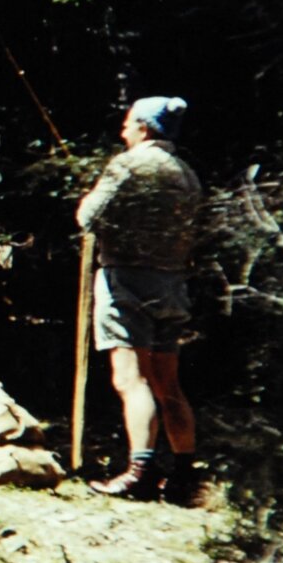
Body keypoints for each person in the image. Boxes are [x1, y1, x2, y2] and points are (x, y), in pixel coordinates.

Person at [78, 96, 201, 499]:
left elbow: (88, 218)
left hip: (127, 282)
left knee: (131, 379)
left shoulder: (128, 165)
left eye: (128, 123)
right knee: (169, 382)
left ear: (145, 128)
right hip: (173, 284)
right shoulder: (187, 174)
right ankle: (183, 475)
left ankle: (141, 471)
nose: (123, 131)